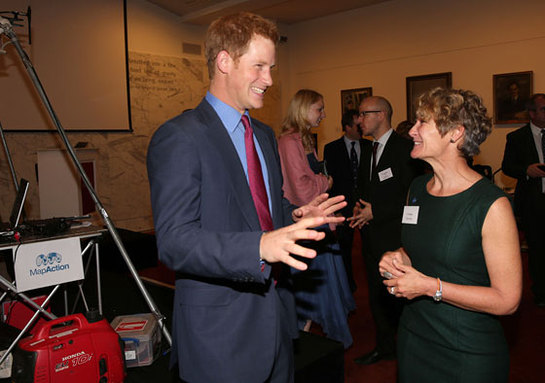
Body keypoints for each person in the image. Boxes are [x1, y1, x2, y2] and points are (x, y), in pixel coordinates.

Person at [146, 12, 346, 383]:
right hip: (221, 337)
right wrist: (259, 247)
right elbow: (174, 242)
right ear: (224, 61)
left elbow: (268, 215)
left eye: (271, 67)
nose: (269, 80)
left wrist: (302, 217)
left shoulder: (264, 136)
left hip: (277, 325)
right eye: (259, 66)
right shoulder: (181, 137)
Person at [380, 88, 522, 382]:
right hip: (414, 339)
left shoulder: (491, 205)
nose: (412, 131)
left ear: (456, 133)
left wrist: (430, 287)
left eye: (422, 123)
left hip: (466, 353)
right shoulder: (417, 188)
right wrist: (398, 257)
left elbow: (507, 300)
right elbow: (421, 248)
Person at [277, 89, 355, 348]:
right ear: (303, 109)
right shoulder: (290, 141)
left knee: (318, 285)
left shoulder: (303, 139)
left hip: (316, 218)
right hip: (304, 221)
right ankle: (305, 341)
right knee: (313, 286)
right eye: (319, 109)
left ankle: (310, 338)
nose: (323, 115)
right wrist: (327, 181)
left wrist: (320, 180)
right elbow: (302, 188)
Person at [348, 96, 420, 365]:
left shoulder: (405, 148)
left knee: (401, 296)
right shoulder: (367, 149)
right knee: (377, 295)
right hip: (370, 236)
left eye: (364, 114)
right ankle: (385, 345)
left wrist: (377, 211)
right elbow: (368, 189)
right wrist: (360, 207)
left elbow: (412, 196)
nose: (359, 120)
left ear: (382, 115)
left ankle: (411, 349)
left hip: (396, 238)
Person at [502, 93, 545, 307]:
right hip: (534, 203)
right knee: (537, 249)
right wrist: (527, 171)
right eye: (544, 109)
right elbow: (508, 167)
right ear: (532, 113)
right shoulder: (517, 137)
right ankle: (541, 293)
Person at [323, 109, 362, 291]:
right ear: (347, 127)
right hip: (342, 208)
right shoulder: (331, 148)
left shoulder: (370, 147)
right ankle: (348, 285)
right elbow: (329, 182)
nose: (361, 127)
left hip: (364, 208)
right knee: (344, 249)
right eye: (357, 124)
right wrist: (333, 210)